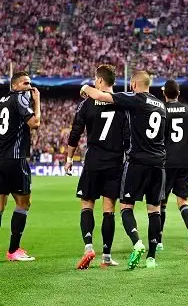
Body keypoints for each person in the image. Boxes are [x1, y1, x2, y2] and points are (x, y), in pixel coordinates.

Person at [80, 70, 166, 270]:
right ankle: (152, 258)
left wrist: (85, 87)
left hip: (137, 162)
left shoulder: (135, 99)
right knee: (154, 210)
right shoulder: (160, 104)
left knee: (126, 206)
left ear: (134, 85)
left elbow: (101, 95)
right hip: (159, 163)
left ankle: (137, 242)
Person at [66, 65, 129, 269]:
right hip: (114, 161)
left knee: (87, 204)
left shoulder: (87, 104)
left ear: (101, 81)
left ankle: (88, 246)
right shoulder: (122, 103)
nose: (94, 82)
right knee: (109, 209)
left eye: (95, 79)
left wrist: (69, 158)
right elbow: (128, 136)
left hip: (93, 159)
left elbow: (76, 132)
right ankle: (107, 256)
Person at [0, 71, 41, 261]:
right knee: (24, 203)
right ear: (15, 86)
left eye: (31, 84)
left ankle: (13, 249)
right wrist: (37, 101)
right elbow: (35, 123)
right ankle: (13, 250)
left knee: (0, 205)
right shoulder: (20, 98)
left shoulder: (2, 100)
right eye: (25, 84)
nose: (29, 87)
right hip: (15, 159)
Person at [157, 79, 188, 255]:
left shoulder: (161, 110)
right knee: (183, 201)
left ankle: (158, 241)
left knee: (161, 202)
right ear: (179, 93)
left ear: (164, 94)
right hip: (185, 161)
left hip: (166, 161)